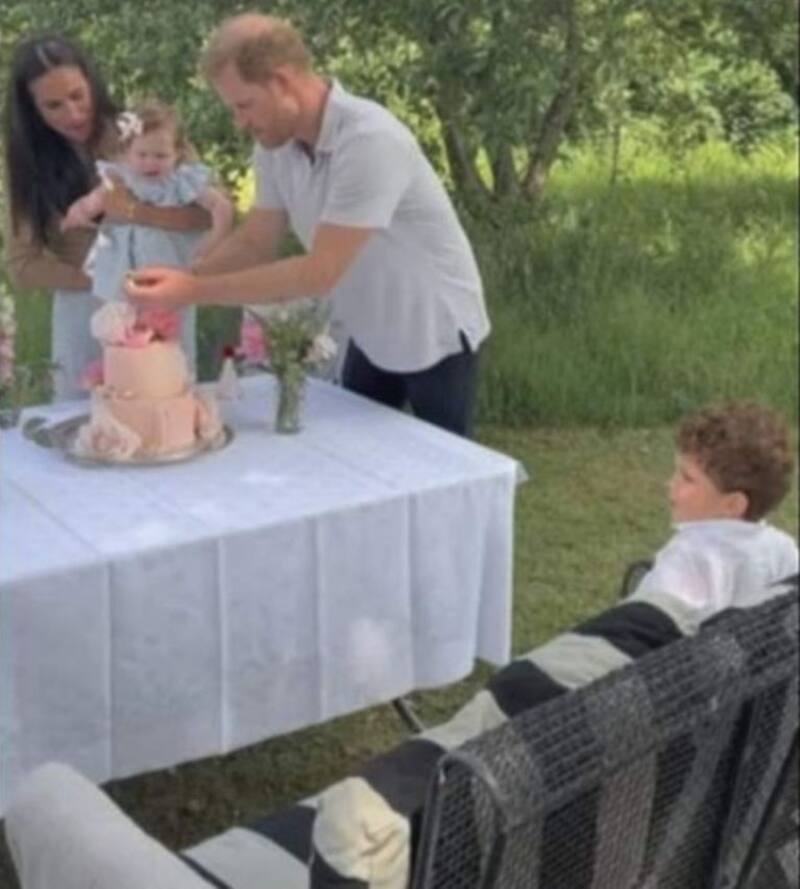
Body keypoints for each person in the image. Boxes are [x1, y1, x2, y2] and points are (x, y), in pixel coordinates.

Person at [126, 13, 490, 436]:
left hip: (435, 330)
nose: (240, 123)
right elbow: (257, 241)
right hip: (368, 329)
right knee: (357, 453)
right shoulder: (275, 146)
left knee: (444, 462)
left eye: (244, 105)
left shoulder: (369, 140)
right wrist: (184, 278)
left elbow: (319, 272)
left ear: (281, 81)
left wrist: (192, 292)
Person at [2, 34, 210, 400]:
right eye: (53, 106)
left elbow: (206, 216)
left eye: (77, 96)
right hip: (86, 307)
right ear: (32, 111)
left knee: (166, 408)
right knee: (87, 415)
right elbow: (23, 265)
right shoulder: (27, 161)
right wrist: (107, 281)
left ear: (92, 82)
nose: (73, 114)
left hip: (162, 293)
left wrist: (136, 213)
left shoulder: (145, 128)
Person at [60, 98, 234, 369]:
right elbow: (92, 203)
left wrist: (213, 243)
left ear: (177, 154)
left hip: (169, 271)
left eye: (161, 156)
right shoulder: (119, 178)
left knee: (174, 335)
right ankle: (125, 379)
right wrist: (75, 214)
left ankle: (177, 381)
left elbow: (221, 207)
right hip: (123, 273)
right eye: (142, 155)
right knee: (122, 330)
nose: (150, 163)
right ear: (127, 152)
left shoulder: (181, 181)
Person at [628, 400, 798, 629]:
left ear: (733, 504)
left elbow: (642, 628)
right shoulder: (784, 550)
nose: (671, 483)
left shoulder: (685, 559)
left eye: (687, 478)